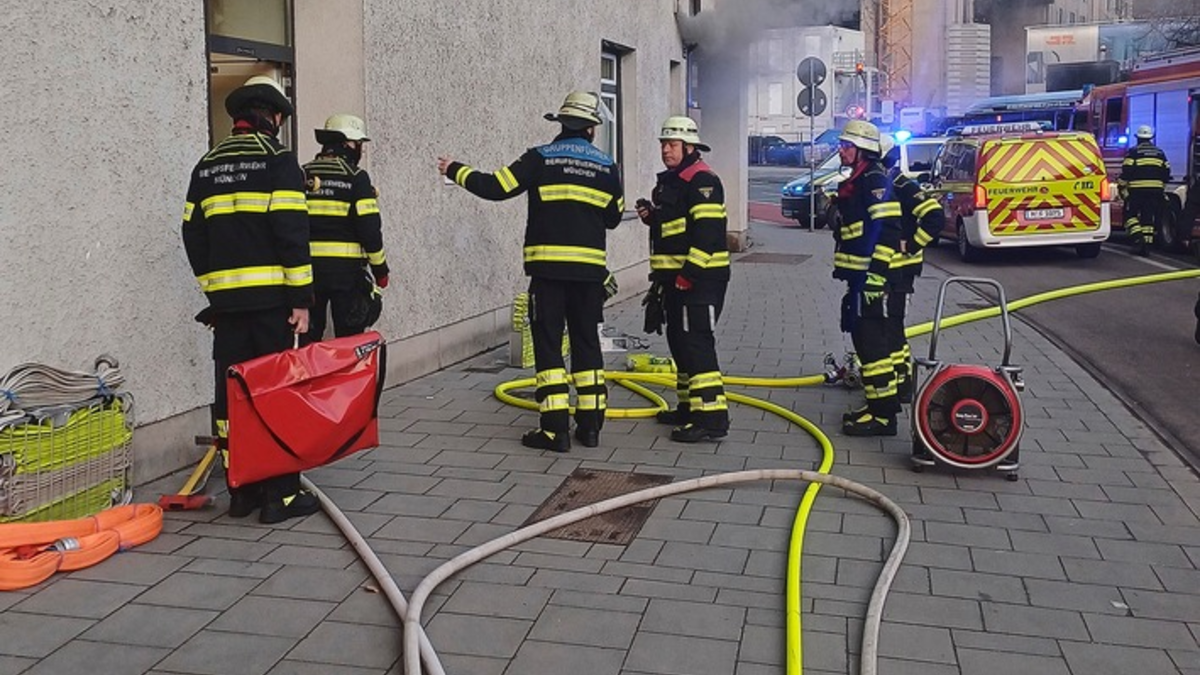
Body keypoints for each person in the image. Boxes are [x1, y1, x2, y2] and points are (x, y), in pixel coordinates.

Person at [437, 92, 623, 452]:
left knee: (549, 346)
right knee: (587, 345)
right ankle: (591, 427)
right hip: (589, 276)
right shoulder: (607, 167)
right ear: (591, 129)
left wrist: (455, 169)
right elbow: (615, 217)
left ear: (561, 124)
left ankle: (555, 431)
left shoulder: (540, 157)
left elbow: (496, 187)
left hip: (549, 274)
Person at [181, 75, 321, 524]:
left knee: (232, 399)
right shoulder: (279, 162)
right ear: (274, 117)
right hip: (272, 307)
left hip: (227, 310)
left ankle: (240, 492)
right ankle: (279, 497)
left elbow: (192, 233)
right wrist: (301, 299)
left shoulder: (207, 165)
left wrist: (214, 288)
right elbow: (292, 234)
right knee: (276, 395)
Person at [635, 116, 731, 443]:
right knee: (679, 341)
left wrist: (690, 274)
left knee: (697, 343)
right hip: (674, 280)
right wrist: (653, 217)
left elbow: (707, 234)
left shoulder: (703, 181)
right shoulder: (672, 182)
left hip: (700, 280)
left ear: (689, 147)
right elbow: (675, 229)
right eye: (663, 143)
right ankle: (689, 408)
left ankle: (712, 418)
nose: (666, 149)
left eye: (672, 144)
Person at [831, 120, 903, 436]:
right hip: (859, 279)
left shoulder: (874, 180)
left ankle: (884, 416)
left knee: (873, 347)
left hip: (871, 281)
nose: (841, 150)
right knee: (863, 342)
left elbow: (887, 232)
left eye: (847, 146)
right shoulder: (858, 181)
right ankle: (875, 407)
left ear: (863, 151)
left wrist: (875, 277)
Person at [303, 114, 389, 341]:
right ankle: (347, 377)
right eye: (357, 144)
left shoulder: (302, 175)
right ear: (346, 143)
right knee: (349, 340)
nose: (359, 150)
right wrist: (381, 270)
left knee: (308, 339)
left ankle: (313, 377)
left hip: (306, 273)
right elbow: (370, 230)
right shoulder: (357, 178)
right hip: (347, 274)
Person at [879, 133, 943, 404]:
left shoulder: (902, 185)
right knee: (891, 324)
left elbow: (934, 216)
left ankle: (901, 382)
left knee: (891, 325)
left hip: (900, 270)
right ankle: (900, 377)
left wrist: (912, 245)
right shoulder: (886, 184)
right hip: (891, 269)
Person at [1118, 125, 1170, 257]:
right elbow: (1166, 171)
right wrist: (1161, 185)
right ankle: (1146, 246)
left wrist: (1121, 185)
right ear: (1151, 138)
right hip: (1155, 191)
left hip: (1137, 190)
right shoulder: (1160, 153)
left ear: (1138, 138)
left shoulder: (1133, 152)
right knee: (1148, 217)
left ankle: (1138, 238)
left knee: (1130, 215)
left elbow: (1127, 171)